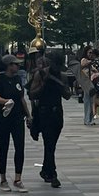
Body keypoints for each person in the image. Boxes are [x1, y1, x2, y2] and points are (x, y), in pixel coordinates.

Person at [0, 54, 31, 192]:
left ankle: (18, 179)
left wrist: (28, 115)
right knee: (4, 147)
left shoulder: (17, 79)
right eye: (15, 64)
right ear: (9, 66)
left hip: (17, 117)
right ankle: (3, 179)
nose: (18, 66)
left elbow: (21, 98)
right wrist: (6, 101)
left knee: (20, 146)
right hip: (2, 117)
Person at [30, 52, 69, 188]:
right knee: (49, 143)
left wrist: (61, 86)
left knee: (52, 145)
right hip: (44, 112)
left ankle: (46, 170)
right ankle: (53, 174)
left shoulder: (62, 76)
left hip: (57, 113)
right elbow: (32, 94)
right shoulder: (40, 74)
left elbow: (67, 95)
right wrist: (43, 83)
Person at [77, 45, 96, 126]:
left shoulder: (90, 62)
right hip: (85, 83)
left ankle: (90, 119)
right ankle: (87, 119)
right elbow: (83, 65)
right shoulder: (84, 60)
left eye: (92, 53)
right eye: (89, 53)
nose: (91, 54)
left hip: (90, 82)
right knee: (87, 102)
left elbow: (94, 70)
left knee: (91, 101)